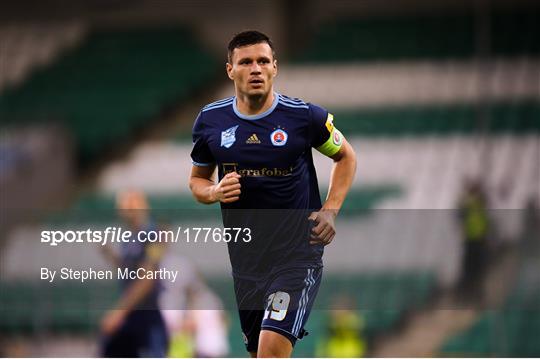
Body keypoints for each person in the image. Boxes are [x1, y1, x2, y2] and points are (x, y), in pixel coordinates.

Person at [189, 30, 357, 357]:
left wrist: (331, 209)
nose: (256, 69)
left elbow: (346, 156)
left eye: (263, 61)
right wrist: (214, 191)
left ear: (275, 67)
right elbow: (197, 180)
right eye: (246, 62)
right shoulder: (211, 120)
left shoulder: (304, 117)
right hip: (247, 265)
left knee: (270, 351)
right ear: (230, 70)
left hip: (295, 258)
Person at [100, 191, 169, 357]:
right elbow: (131, 271)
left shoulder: (154, 234)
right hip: (133, 315)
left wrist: (119, 311)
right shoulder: (129, 237)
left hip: (148, 316)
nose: (122, 210)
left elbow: (147, 278)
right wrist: (111, 256)